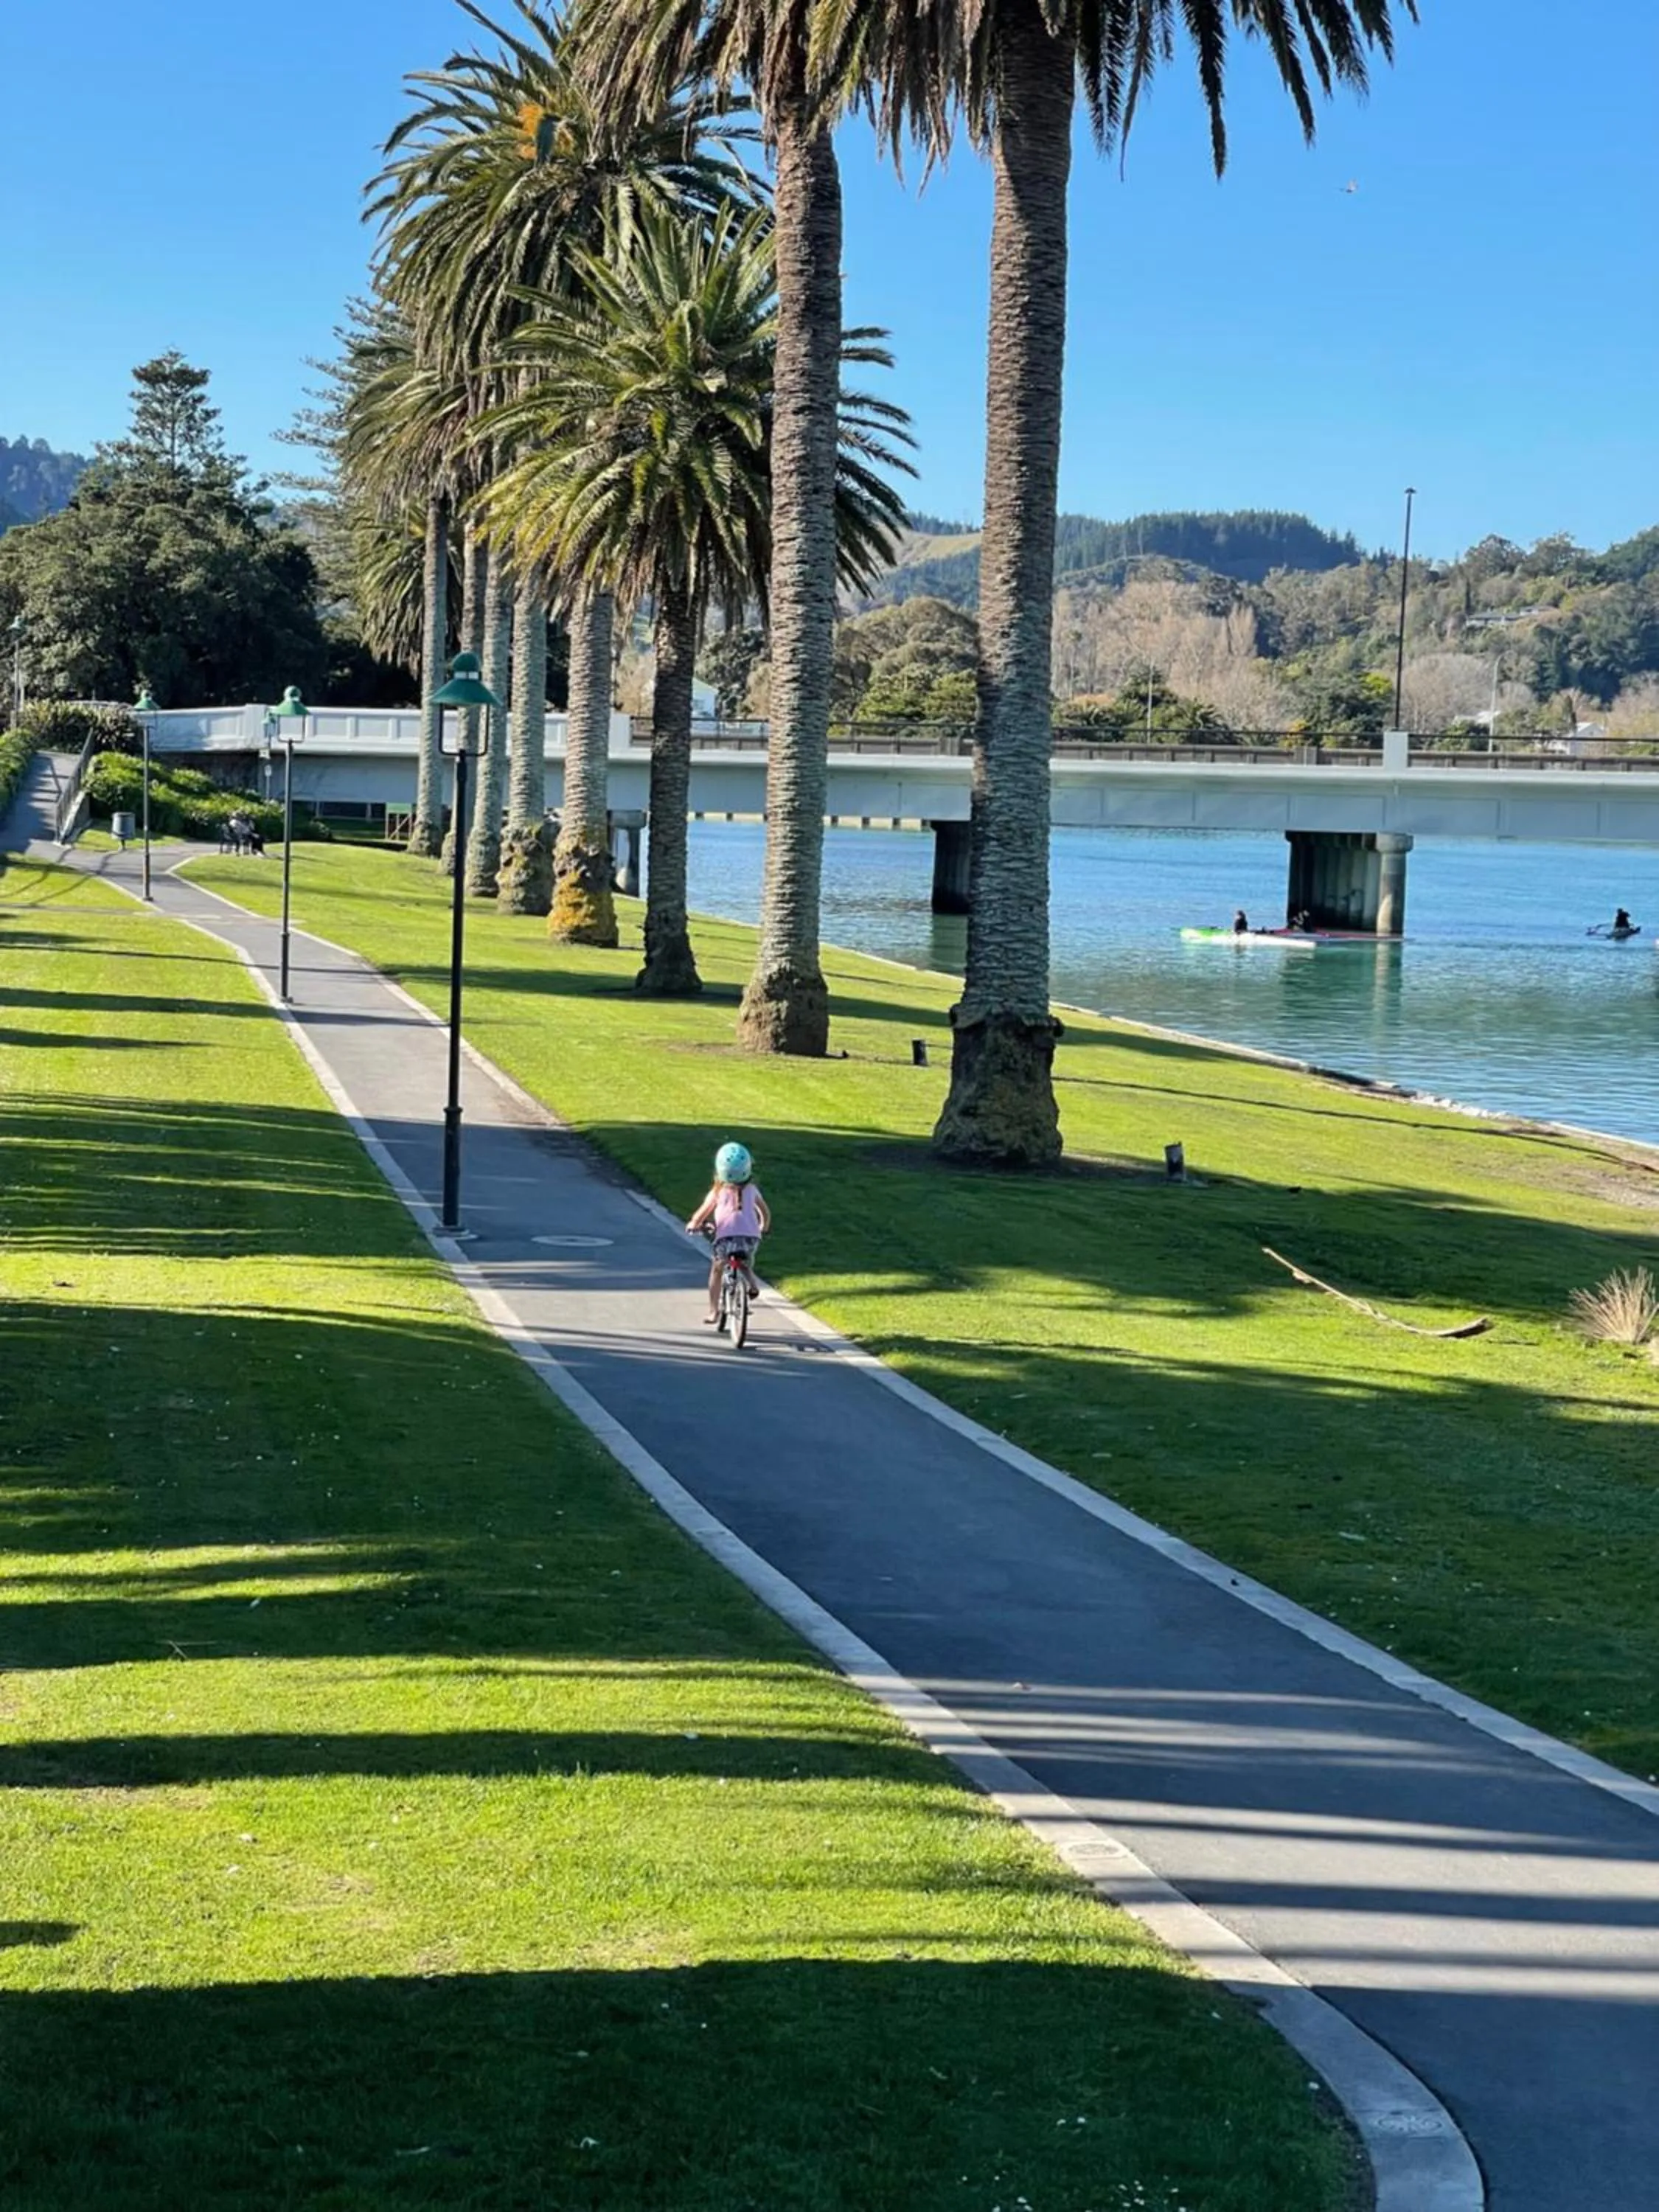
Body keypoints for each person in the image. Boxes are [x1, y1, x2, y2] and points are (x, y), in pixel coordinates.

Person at [686, 1141, 770, 1324]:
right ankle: (752, 1286)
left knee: (717, 1269)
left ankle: (714, 1311)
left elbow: (702, 1213)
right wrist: (764, 1226)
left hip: (726, 1238)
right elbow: (764, 1211)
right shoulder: (752, 1190)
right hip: (750, 1238)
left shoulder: (718, 1191)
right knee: (745, 1262)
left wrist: (694, 1223)